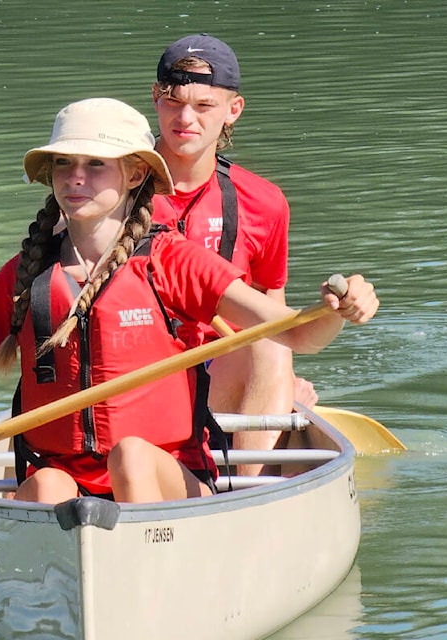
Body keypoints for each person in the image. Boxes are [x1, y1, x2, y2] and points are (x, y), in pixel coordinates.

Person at [0, 97, 378, 504]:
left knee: (129, 456)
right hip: (64, 483)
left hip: (169, 481)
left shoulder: (173, 263)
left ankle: (145, 572)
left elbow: (297, 334)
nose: (76, 178)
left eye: (96, 165)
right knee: (48, 487)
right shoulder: (24, 277)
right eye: (64, 164)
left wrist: (343, 308)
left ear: (133, 175)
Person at [150, 33, 313, 473]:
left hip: (218, 372)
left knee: (269, 343)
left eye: (204, 106)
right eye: (173, 101)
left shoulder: (264, 202)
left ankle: (252, 483)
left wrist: (279, 377)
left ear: (232, 111)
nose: (185, 118)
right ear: (155, 100)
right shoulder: (111, 190)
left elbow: (270, 302)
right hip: (138, 365)